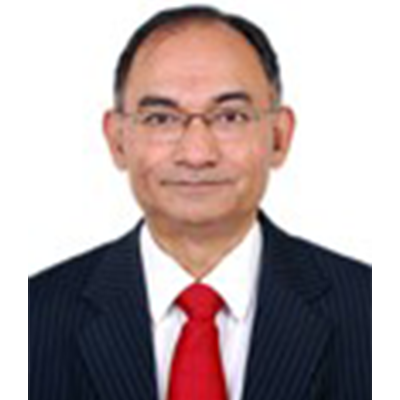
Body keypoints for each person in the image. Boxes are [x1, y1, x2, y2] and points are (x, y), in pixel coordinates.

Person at [29, 5, 371, 400]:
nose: (196, 154)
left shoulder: (373, 310)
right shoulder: (30, 317)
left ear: (279, 136)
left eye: (230, 117)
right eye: (161, 118)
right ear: (118, 140)